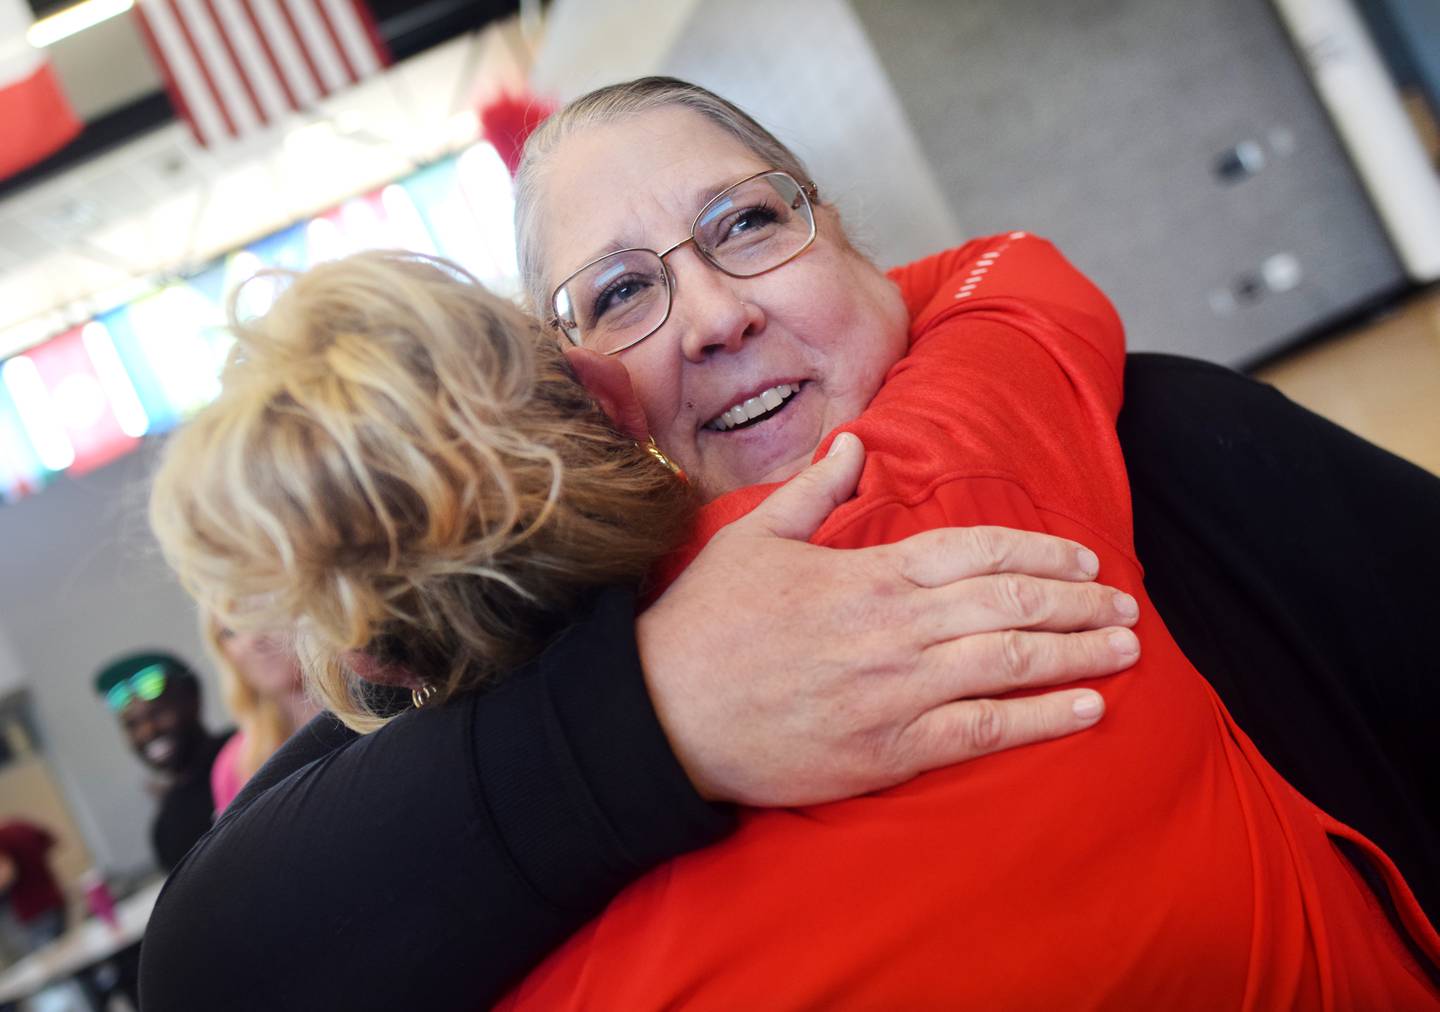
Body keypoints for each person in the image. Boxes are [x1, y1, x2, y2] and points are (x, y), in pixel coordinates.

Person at [136, 79, 1440, 1008]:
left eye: (750, 225)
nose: (710, 316)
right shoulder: (486, 762)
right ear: (593, 399)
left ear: (850, 238)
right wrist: (657, 708)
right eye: (625, 292)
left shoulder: (1163, 440)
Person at [92, 652, 231, 871]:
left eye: (157, 713)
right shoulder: (165, 830)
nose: (147, 731)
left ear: (193, 700)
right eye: (132, 724)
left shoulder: (249, 753)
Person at [202, 618, 320, 813]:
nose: (253, 639)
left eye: (260, 614)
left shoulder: (373, 709)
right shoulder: (234, 765)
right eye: (230, 632)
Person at [0, 819, 66, 952]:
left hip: (34, 911)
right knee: (66, 950)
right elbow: (54, 838)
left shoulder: (2, 839)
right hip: (54, 898)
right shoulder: (20, 826)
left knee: (51, 960)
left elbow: (6, 873)